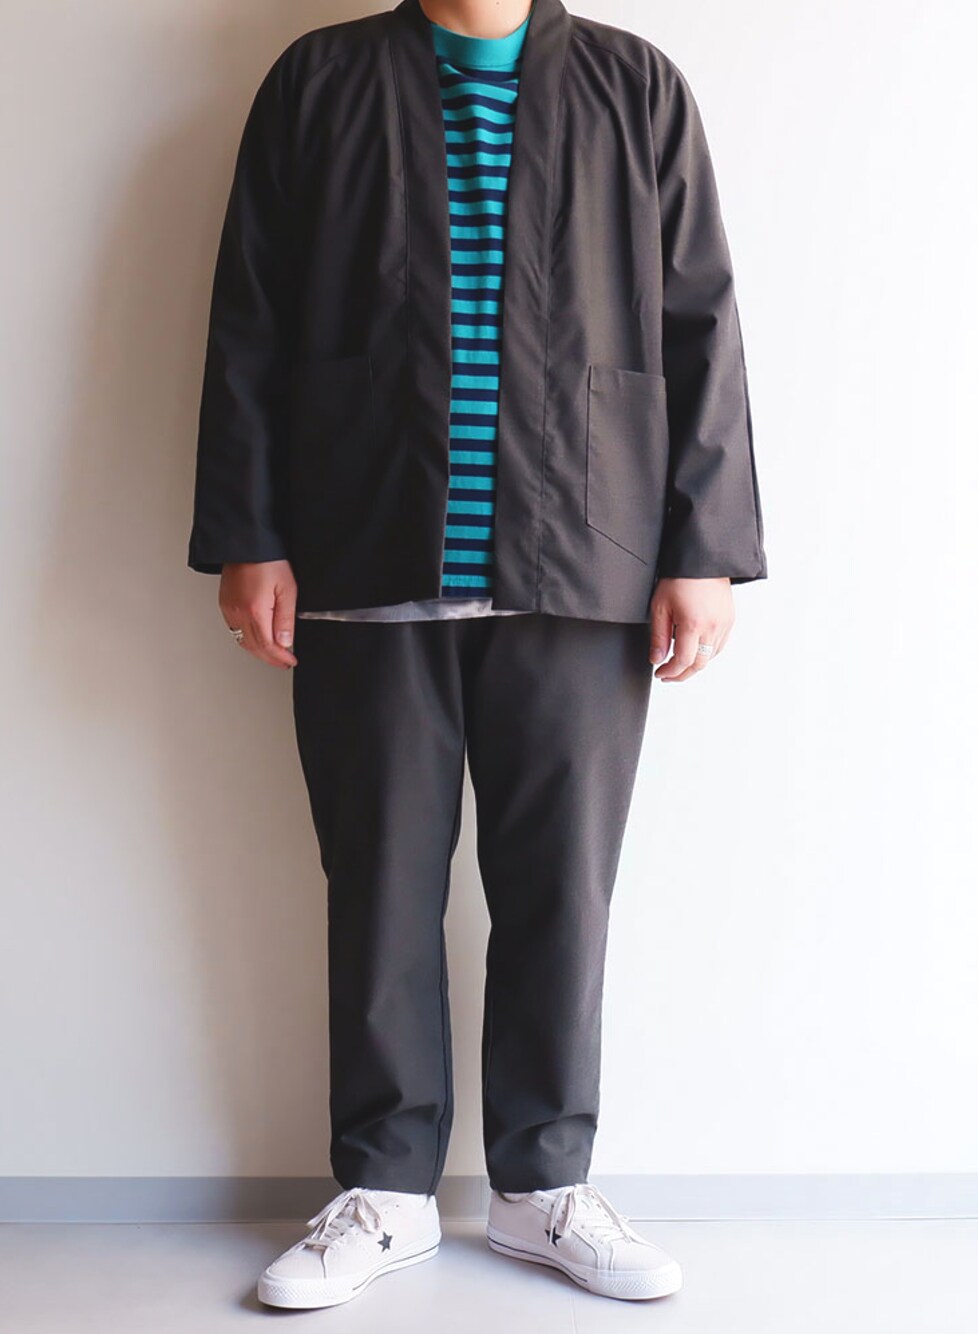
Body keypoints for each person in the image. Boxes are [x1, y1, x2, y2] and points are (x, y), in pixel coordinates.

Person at [187, 0, 766, 1310]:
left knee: (562, 888)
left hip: (587, 553)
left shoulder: (634, 87)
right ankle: (386, 1190)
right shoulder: (317, 82)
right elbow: (250, 317)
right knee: (379, 885)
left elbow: (701, 317)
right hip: (360, 550)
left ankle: (542, 1187)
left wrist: (705, 544)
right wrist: (250, 533)